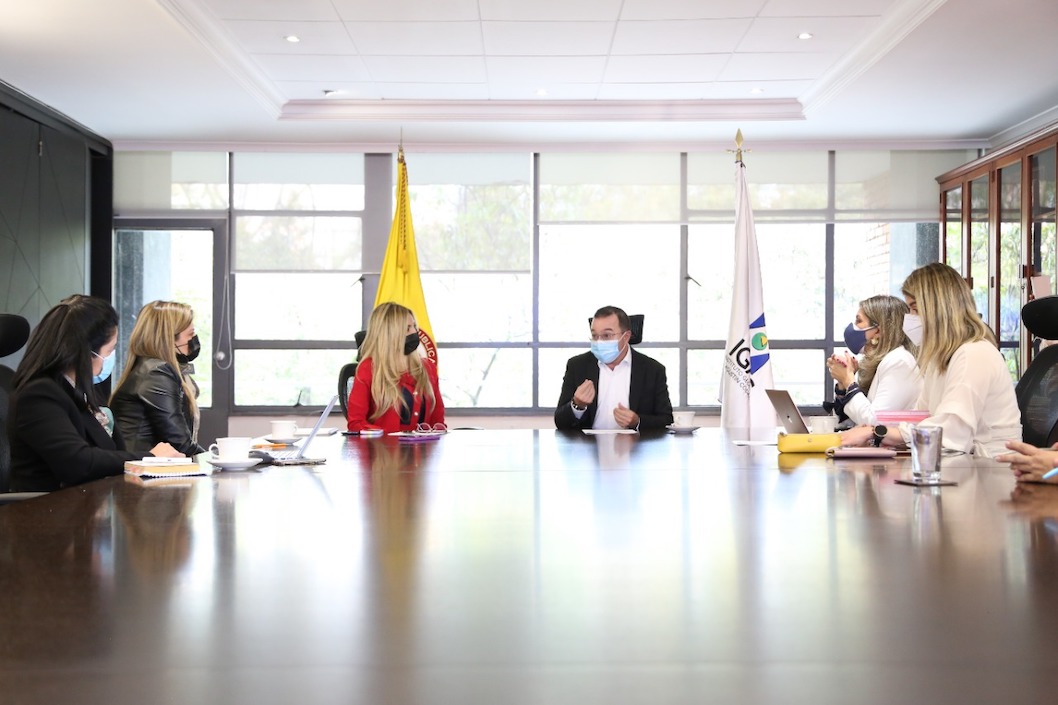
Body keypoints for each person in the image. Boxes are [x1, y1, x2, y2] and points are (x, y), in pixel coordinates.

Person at [841, 262, 1021, 456]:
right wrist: (873, 435)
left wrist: (875, 433)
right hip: (963, 465)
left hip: (991, 471)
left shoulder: (974, 354)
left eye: (915, 310)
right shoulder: (939, 360)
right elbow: (921, 418)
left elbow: (950, 433)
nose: (909, 318)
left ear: (939, 310)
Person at [7, 295, 180, 492]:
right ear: (87, 352)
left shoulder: (80, 390)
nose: (110, 357)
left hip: (87, 504)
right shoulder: (39, 394)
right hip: (47, 512)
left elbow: (111, 453)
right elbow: (77, 462)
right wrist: (150, 457)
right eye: (110, 349)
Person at [555, 306, 673, 431]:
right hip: (589, 447)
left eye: (606, 335)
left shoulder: (652, 370)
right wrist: (577, 405)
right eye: (595, 336)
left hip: (634, 448)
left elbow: (666, 420)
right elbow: (560, 423)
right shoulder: (578, 365)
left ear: (626, 336)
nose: (599, 341)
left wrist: (637, 422)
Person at [110, 300, 205, 456]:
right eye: (190, 335)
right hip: (140, 473)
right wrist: (216, 464)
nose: (194, 341)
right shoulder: (156, 373)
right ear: (169, 338)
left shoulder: (153, 368)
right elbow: (180, 442)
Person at [346, 302, 445, 434]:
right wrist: (387, 436)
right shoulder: (369, 369)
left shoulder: (427, 368)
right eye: (408, 328)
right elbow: (355, 423)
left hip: (423, 450)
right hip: (382, 451)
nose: (415, 332)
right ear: (390, 334)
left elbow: (437, 423)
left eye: (415, 326)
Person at [826, 295, 921, 426]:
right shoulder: (880, 363)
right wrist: (843, 384)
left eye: (858, 321)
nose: (852, 327)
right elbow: (849, 423)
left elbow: (876, 423)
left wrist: (849, 381)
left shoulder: (899, 362)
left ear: (878, 331)